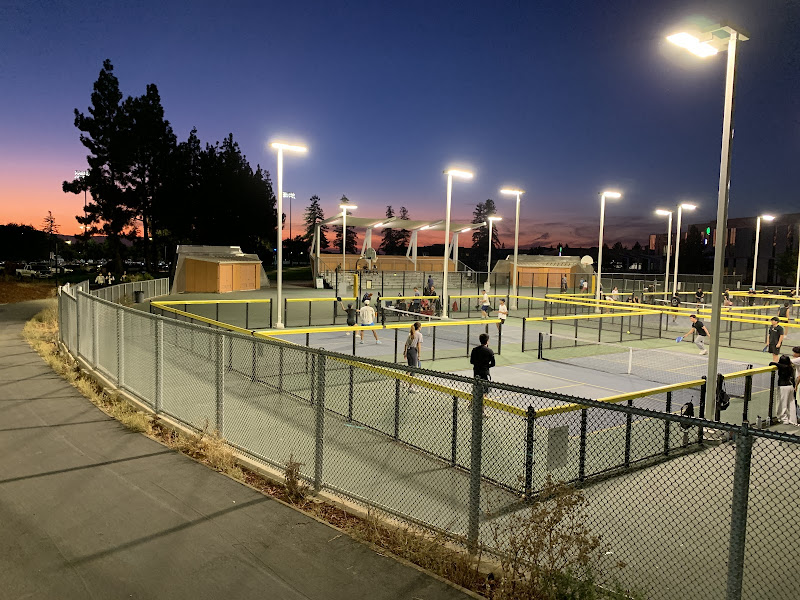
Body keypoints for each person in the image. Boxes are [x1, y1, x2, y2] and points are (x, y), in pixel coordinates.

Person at [769, 355, 797, 425]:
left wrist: (776, 363)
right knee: (791, 403)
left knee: (782, 403)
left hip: (783, 386)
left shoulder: (783, 367)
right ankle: (793, 420)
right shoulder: (791, 367)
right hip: (790, 386)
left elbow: (772, 363)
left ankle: (784, 419)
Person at [402, 322, 423, 392]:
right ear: (419, 327)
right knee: (413, 369)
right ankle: (411, 387)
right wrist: (419, 355)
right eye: (421, 326)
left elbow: (406, 344)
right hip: (413, 352)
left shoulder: (410, 334)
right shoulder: (419, 335)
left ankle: (404, 382)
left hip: (408, 352)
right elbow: (419, 346)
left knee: (409, 367)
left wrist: (405, 353)